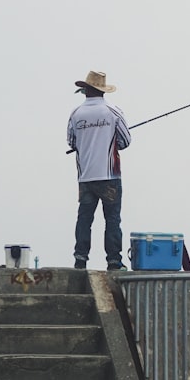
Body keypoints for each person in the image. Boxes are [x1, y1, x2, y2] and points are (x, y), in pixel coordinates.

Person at [67, 70, 132, 270]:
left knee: (84, 218)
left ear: (85, 91)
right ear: (103, 91)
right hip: (109, 175)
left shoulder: (76, 114)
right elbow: (125, 141)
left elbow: (72, 141)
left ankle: (80, 259)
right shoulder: (113, 112)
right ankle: (113, 261)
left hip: (86, 177)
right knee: (112, 219)